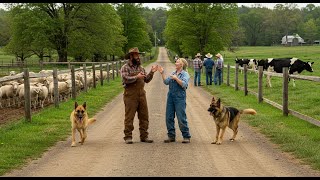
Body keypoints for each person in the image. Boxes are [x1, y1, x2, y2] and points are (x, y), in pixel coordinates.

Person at [120, 47, 158, 144]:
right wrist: (137, 77)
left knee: (144, 116)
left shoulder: (141, 68)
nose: (138, 57)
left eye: (138, 55)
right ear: (131, 56)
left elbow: (146, 80)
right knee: (129, 116)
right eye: (136, 55)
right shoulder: (125, 67)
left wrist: (152, 72)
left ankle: (144, 136)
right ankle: (128, 137)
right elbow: (125, 79)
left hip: (142, 95)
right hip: (130, 95)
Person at [158, 58, 191, 143]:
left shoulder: (185, 74)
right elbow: (166, 82)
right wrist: (162, 73)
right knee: (169, 117)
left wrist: (176, 79)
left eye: (177, 62)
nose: (176, 63)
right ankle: (171, 136)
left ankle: (186, 136)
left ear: (181, 65)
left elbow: (184, 85)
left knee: (181, 117)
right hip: (171, 97)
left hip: (180, 97)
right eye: (176, 62)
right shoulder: (173, 73)